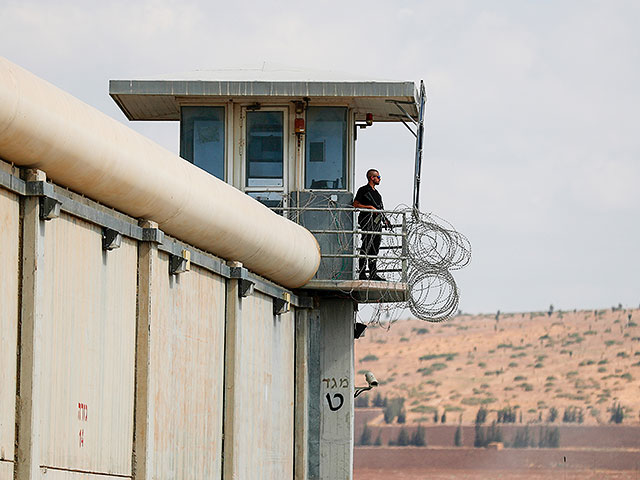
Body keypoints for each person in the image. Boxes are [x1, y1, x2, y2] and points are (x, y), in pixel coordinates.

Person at [353, 169, 391, 281]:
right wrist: (369, 207)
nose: (380, 179)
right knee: (366, 246)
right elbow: (355, 204)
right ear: (372, 178)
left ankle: (373, 273)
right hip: (366, 221)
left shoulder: (377, 194)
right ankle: (362, 273)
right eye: (378, 177)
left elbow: (380, 209)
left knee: (375, 248)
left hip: (377, 223)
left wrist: (386, 220)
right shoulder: (363, 190)